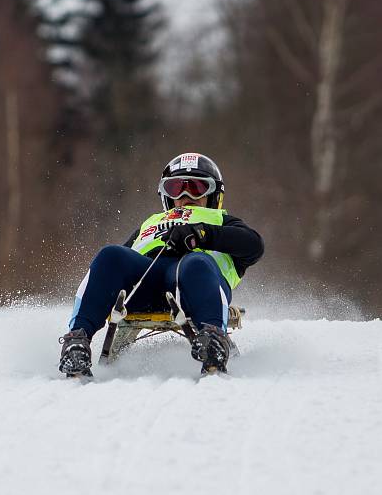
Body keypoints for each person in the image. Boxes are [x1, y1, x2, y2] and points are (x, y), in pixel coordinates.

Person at [59, 152, 264, 377]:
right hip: (145, 281)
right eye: (176, 189)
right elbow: (113, 266)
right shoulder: (152, 222)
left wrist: (201, 234)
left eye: (196, 188)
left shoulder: (223, 221)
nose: (186, 195)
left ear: (213, 194)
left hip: (192, 286)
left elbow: (254, 246)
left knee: (195, 262)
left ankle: (213, 341)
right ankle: (77, 341)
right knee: (110, 255)